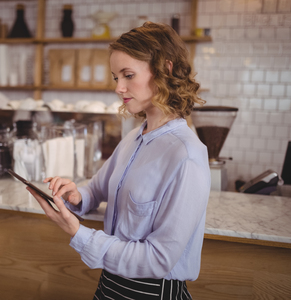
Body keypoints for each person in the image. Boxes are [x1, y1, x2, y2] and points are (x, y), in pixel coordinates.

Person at [27, 22, 210, 300]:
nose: (119, 87)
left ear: (166, 70)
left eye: (128, 75)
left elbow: (158, 259)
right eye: (115, 77)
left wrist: (78, 232)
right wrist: (75, 195)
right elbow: (96, 190)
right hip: (110, 286)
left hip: (153, 292)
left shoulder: (186, 155)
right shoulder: (133, 138)